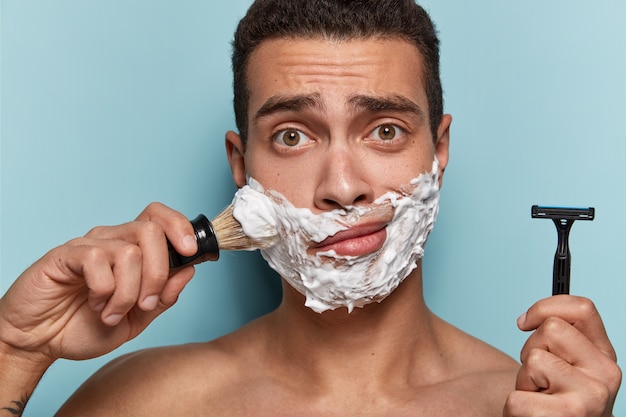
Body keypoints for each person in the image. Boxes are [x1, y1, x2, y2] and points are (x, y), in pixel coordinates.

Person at [0, 0, 621, 415]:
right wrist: (15, 353)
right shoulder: (143, 403)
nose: (343, 187)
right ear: (241, 165)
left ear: (440, 150)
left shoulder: (530, 405)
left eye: (384, 130)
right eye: (293, 135)